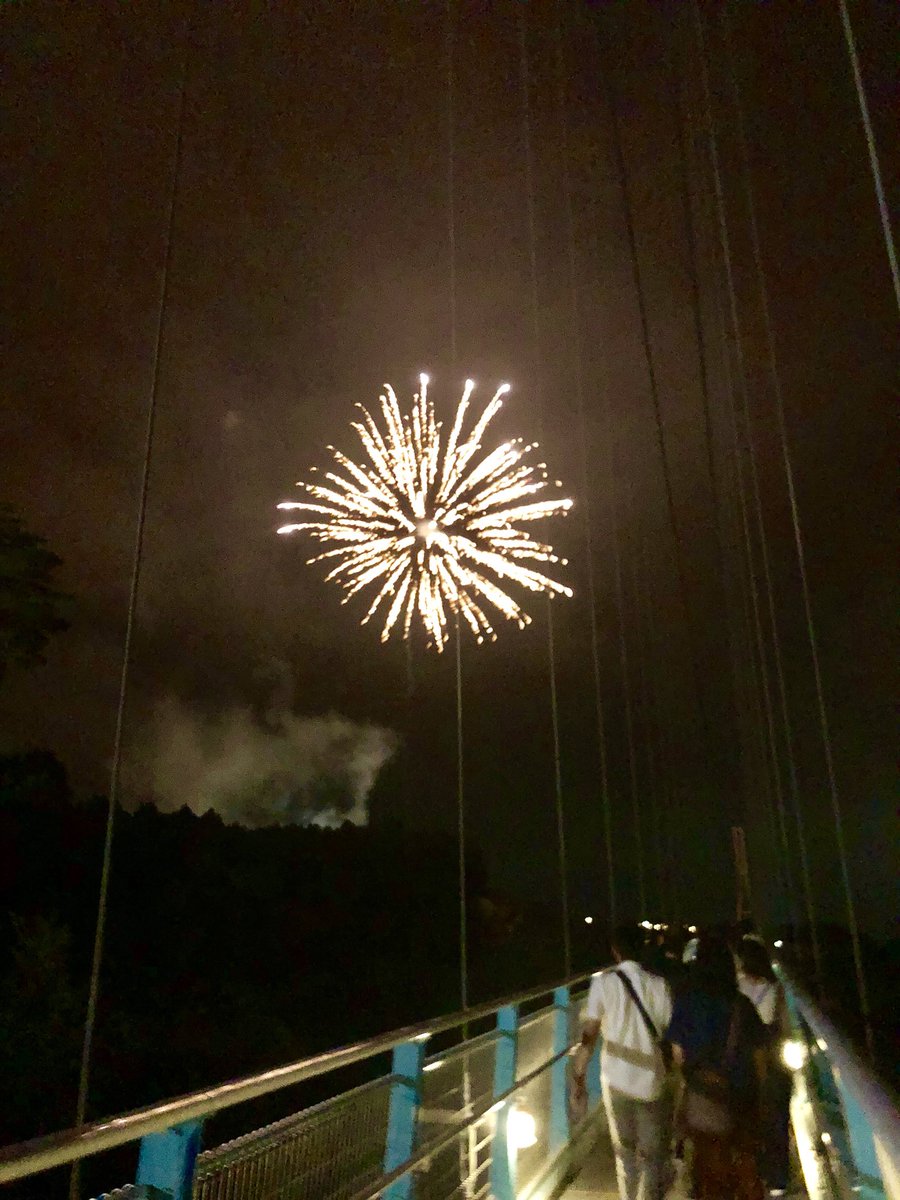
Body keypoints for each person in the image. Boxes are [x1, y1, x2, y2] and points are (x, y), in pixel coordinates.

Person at [571, 923, 673, 1200]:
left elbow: (589, 1036)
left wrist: (578, 1079)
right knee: (652, 1157)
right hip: (651, 1078)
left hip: (615, 1078)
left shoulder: (603, 983)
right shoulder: (659, 985)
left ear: (615, 951)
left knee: (625, 1152)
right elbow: (663, 1027)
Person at [668, 935, 768, 1200]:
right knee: (743, 1166)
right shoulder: (742, 1005)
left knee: (708, 1171)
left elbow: (678, 1056)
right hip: (741, 1101)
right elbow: (760, 1058)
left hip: (704, 1101)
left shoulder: (686, 1003)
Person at [738, 938, 792, 1196]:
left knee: (749, 1114)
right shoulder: (776, 987)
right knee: (777, 1115)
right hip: (773, 1054)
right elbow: (784, 1024)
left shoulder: (736, 986)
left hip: (747, 1054)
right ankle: (778, 1178)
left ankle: (753, 1170)